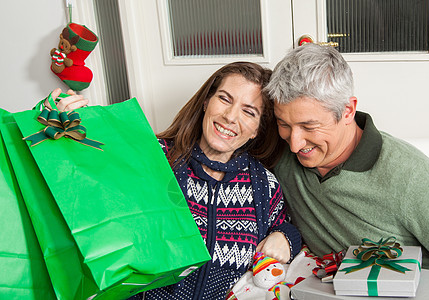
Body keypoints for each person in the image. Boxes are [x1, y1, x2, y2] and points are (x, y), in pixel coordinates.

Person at [52, 61, 302, 299]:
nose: (230, 116)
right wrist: (72, 127)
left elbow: (284, 225)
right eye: (224, 99)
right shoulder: (154, 157)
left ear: (258, 128)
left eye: (249, 112)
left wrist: (285, 236)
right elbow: (90, 179)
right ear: (206, 102)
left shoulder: (262, 184)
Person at [265, 42, 429, 271]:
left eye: (309, 126)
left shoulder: (411, 175)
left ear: (348, 111)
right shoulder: (279, 155)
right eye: (284, 124)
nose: (294, 144)